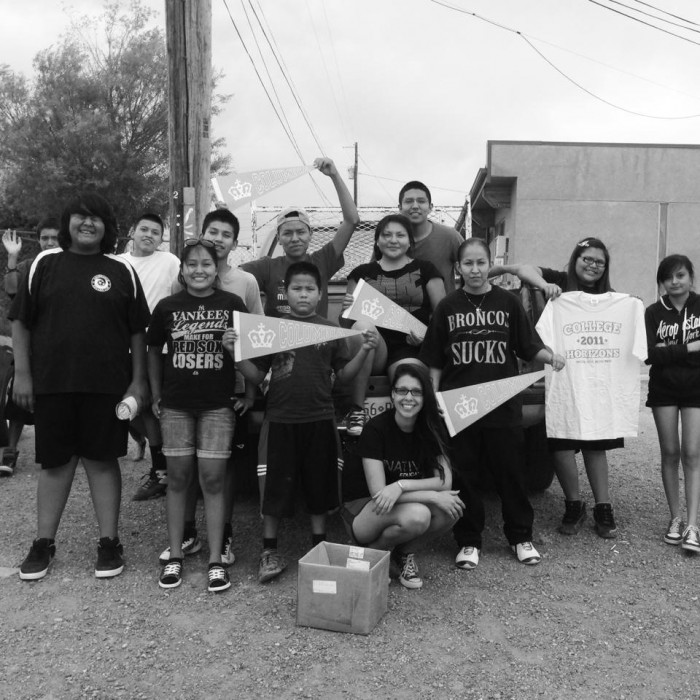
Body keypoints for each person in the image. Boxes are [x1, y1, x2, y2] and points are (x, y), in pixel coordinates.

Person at [11, 192, 150, 581]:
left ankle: (109, 543)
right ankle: (43, 543)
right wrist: (23, 375)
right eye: (80, 216)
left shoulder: (121, 271)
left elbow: (138, 331)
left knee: (103, 462)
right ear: (68, 221)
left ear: (107, 227)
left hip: (107, 386)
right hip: (53, 383)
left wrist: (138, 382)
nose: (87, 223)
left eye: (97, 218)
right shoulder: (44, 263)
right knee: (54, 464)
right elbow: (21, 321)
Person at [421, 238, 564, 570]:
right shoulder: (447, 307)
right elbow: (434, 360)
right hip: (461, 405)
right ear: (458, 268)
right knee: (464, 475)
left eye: (480, 263)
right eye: (467, 263)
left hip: (502, 404)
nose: (474, 269)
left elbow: (528, 346)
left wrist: (551, 357)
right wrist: (435, 398)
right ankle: (469, 541)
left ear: (490, 266)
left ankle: (520, 537)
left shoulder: (509, 303)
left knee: (510, 473)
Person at [235, 261, 378, 583]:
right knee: (273, 490)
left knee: (320, 487)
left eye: (309, 289)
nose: (303, 294)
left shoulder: (330, 331)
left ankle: (320, 549)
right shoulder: (273, 328)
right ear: (286, 292)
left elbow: (343, 378)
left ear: (319, 293)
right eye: (297, 288)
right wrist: (235, 353)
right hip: (280, 422)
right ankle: (269, 551)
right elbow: (257, 376)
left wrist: (365, 351)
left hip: (320, 421)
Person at [490, 237, 624, 538]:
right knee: (561, 442)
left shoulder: (610, 298)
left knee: (595, 442)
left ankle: (603, 507)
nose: (592, 265)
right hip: (560, 373)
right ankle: (573, 504)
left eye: (599, 262)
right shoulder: (560, 282)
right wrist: (541, 284)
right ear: (575, 259)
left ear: (606, 268)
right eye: (586, 259)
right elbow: (525, 268)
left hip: (594, 378)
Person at [156, 208, 262, 568]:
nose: (199, 269)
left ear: (218, 267)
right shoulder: (169, 303)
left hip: (221, 400)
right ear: (182, 269)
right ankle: (178, 547)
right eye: (191, 264)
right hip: (176, 402)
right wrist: (156, 393)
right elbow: (154, 349)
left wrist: (249, 391)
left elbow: (252, 347)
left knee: (215, 475)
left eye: (206, 264)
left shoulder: (236, 296)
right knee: (179, 477)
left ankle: (218, 553)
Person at [340, 363, 464, 589]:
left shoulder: (432, 428)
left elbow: (445, 482)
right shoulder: (376, 429)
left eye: (416, 392)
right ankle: (373, 554)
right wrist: (432, 496)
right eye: (402, 391)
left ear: (426, 396)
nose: (409, 398)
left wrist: (401, 485)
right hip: (364, 510)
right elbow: (379, 494)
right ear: (393, 394)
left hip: (396, 499)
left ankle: (404, 553)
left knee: (451, 509)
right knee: (419, 515)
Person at [342, 213, 445, 435]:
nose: (393, 240)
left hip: (411, 348)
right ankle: (357, 409)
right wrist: (345, 309)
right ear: (377, 241)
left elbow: (443, 316)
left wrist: (427, 339)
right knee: (362, 326)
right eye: (386, 235)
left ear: (410, 241)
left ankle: (416, 438)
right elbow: (346, 323)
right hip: (373, 350)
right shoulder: (360, 273)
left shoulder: (427, 269)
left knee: (409, 376)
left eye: (400, 235)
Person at [240, 157, 359, 318]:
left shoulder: (323, 261)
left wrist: (334, 175)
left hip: (318, 340)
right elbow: (231, 276)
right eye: (287, 233)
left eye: (300, 232)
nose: (295, 238)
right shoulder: (267, 266)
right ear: (279, 238)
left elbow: (352, 221)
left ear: (310, 235)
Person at [118, 213, 180, 501]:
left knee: (153, 408)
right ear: (132, 230)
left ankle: (162, 471)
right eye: (144, 229)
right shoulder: (117, 263)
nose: (149, 235)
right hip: (121, 349)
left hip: (159, 349)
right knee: (127, 409)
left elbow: (180, 295)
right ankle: (160, 458)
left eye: (156, 232)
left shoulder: (169, 262)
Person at [645, 254, 700, 552]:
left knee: (693, 453)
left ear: (691, 277)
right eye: (668, 277)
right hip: (664, 389)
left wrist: (670, 350)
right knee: (670, 452)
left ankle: (693, 524)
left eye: (680, 275)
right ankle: (675, 518)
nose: (674, 282)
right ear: (662, 282)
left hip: (696, 388)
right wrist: (692, 346)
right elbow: (651, 355)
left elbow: (663, 351)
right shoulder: (653, 312)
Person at [0, 219, 59, 476]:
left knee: (62, 400)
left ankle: (136, 437)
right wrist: (12, 258)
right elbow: (12, 292)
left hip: (62, 346)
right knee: (18, 400)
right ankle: (10, 452)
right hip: (32, 345)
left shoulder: (70, 266)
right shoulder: (28, 266)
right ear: (38, 240)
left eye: (55, 238)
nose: (49, 242)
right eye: (45, 238)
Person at [398, 180, 464, 293]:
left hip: (443, 310)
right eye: (408, 201)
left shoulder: (450, 236)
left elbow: (474, 268)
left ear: (430, 207)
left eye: (421, 201)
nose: (415, 206)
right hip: (398, 309)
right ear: (400, 207)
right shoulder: (390, 240)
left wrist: (503, 269)